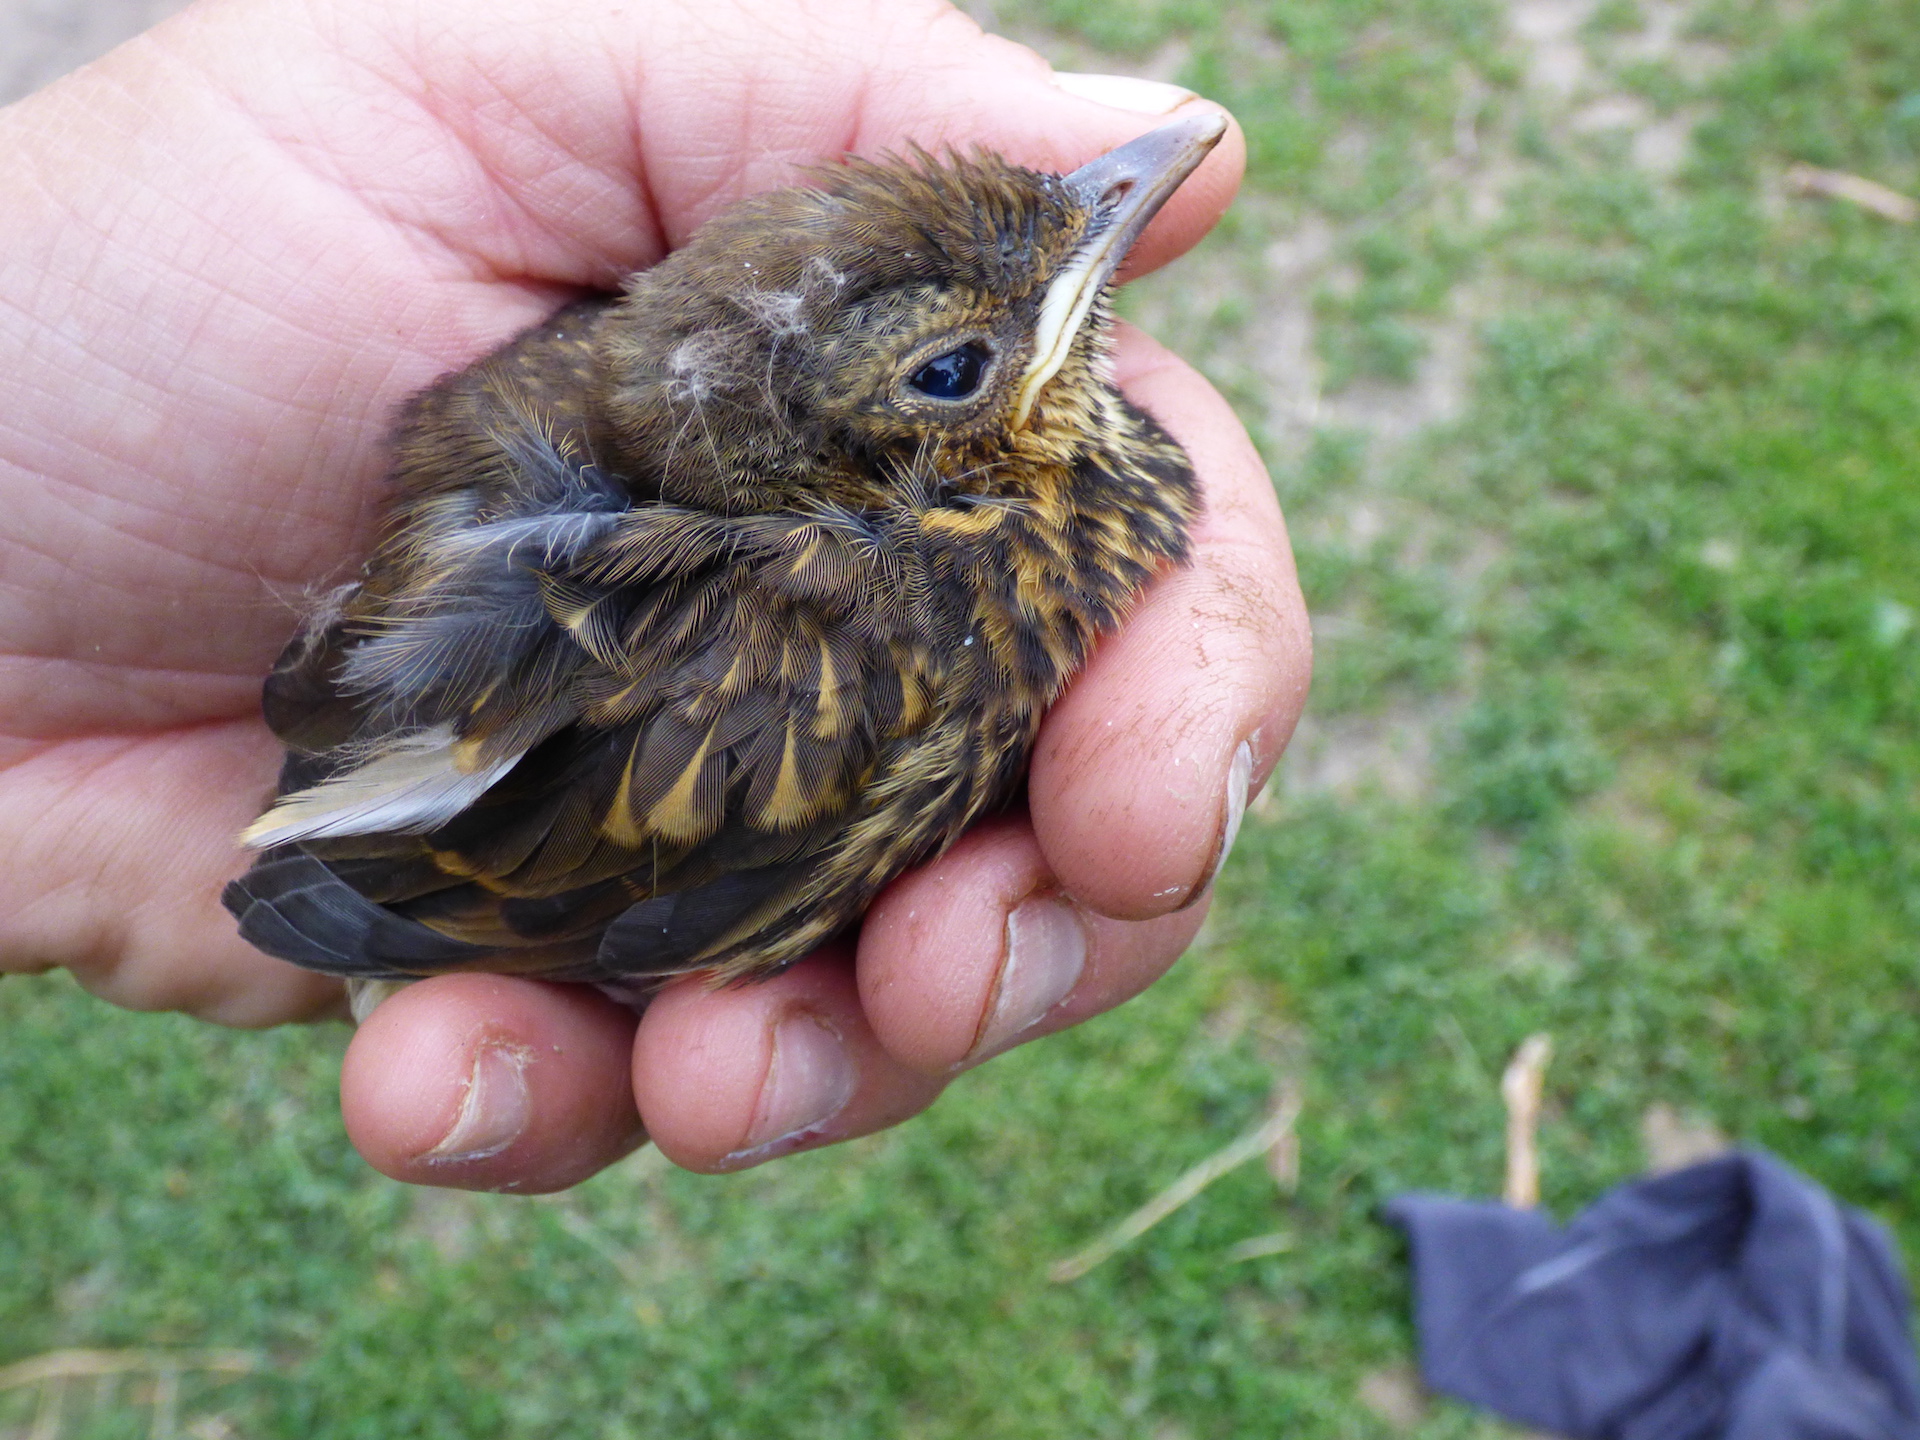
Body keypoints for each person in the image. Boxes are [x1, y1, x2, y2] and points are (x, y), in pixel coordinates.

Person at [0, 0, 1310, 1192]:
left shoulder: (903, 573)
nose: (1116, 180)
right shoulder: (850, 645)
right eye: (960, 368)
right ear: (893, 458)